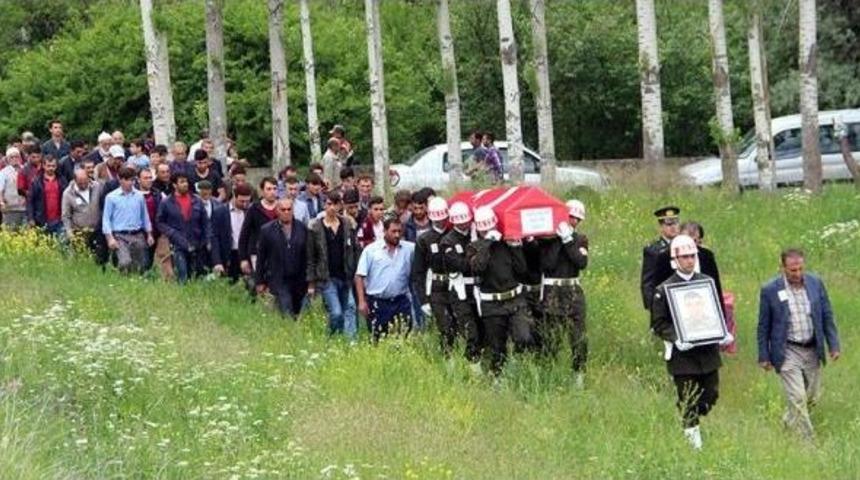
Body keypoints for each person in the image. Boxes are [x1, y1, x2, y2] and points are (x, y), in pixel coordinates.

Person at [650, 234, 730, 450]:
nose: (689, 261)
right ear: (675, 260)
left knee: (711, 393)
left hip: (707, 352)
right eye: (684, 257)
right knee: (687, 397)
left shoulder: (706, 282)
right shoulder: (664, 289)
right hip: (682, 357)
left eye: (692, 256)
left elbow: (715, 311)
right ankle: (693, 443)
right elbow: (659, 324)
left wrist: (723, 332)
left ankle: (693, 416)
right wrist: (676, 337)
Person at [757, 248, 841, 441]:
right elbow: (763, 325)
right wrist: (764, 355)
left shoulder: (815, 283)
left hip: (811, 348)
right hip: (787, 349)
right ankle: (808, 443)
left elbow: (827, 315)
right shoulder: (770, 290)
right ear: (783, 268)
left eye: (801, 269)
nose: (798, 273)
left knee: (811, 397)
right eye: (793, 270)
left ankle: (788, 423)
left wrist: (833, 345)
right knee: (797, 397)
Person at [468, 207, 533, 375]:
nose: (488, 231)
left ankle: (517, 366)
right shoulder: (474, 247)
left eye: (490, 228)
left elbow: (522, 270)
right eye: (484, 230)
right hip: (492, 304)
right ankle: (497, 377)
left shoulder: (506, 243)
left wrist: (516, 248)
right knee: (497, 347)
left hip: (514, 299)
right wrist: (487, 243)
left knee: (524, 337)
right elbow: (478, 268)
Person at [538, 199, 590, 385]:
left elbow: (581, 262)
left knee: (578, 337)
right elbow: (547, 264)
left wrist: (568, 241)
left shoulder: (580, 239)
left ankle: (578, 376)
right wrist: (558, 240)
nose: (573, 221)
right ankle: (548, 375)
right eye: (570, 217)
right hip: (552, 291)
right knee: (552, 338)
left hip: (573, 291)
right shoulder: (548, 240)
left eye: (577, 219)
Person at [306, 192, 360, 339]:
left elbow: (355, 250)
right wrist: (311, 282)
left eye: (335, 204)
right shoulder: (315, 227)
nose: (332, 208)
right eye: (329, 204)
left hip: (345, 275)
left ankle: (351, 342)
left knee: (350, 308)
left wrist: (356, 272)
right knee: (336, 312)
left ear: (340, 206)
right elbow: (311, 256)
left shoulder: (347, 224)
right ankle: (332, 336)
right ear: (324, 205)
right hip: (326, 277)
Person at [355, 217, 415, 342]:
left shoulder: (409, 249)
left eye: (399, 231)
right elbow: (359, 276)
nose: (397, 235)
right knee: (378, 337)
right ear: (385, 231)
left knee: (404, 335)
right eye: (393, 231)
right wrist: (361, 301)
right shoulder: (371, 250)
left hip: (401, 300)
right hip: (378, 301)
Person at [412, 196, 458, 354]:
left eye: (443, 218)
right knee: (445, 327)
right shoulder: (424, 240)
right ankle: (447, 356)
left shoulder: (454, 235)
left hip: (456, 284)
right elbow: (418, 272)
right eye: (437, 219)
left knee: (459, 324)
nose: (440, 222)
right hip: (436, 287)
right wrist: (423, 300)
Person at [441, 201, 483, 368]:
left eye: (466, 221)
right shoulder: (448, 241)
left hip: (479, 289)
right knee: (469, 330)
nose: (464, 224)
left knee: (482, 327)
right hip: (460, 291)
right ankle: (472, 365)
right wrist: (474, 247)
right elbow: (463, 265)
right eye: (460, 221)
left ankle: (481, 362)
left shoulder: (477, 234)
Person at [157, 172, 218, 283]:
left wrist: (207, 239)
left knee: (196, 276)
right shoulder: (166, 203)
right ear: (174, 185)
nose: (185, 184)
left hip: (197, 243)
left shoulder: (197, 200)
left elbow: (205, 222)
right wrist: (172, 233)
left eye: (186, 182)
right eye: (181, 182)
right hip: (178, 244)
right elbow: (160, 223)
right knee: (182, 275)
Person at [255, 198, 310, 318]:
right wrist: (259, 281)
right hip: (279, 278)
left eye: (289, 209)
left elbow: (308, 255)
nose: (286, 212)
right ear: (277, 211)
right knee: (286, 309)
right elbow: (261, 258)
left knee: (298, 311)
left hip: (299, 279)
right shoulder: (267, 230)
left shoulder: (302, 228)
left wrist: (311, 279)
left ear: (293, 210)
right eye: (283, 209)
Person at [102, 167, 154, 274]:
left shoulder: (139, 196)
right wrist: (110, 238)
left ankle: (136, 280)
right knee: (125, 262)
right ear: (120, 180)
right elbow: (106, 219)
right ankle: (122, 278)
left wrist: (149, 234)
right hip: (120, 235)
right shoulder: (111, 197)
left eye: (132, 180)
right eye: (127, 180)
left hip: (137, 234)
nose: (131, 183)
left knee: (141, 264)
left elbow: (145, 216)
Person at [238, 177, 280, 277]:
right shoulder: (254, 209)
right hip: (257, 253)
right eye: (269, 189)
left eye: (274, 189)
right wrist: (243, 258)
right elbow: (244, 235)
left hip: (279, 253)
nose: (272, 192)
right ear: (262, 191)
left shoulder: (283, 208)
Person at [641, 206, 680, 311]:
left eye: (675, 223)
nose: (673, 227)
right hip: (663, 299)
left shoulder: (684, 246)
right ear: (661, 227)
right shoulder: (653, 250)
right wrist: (652, 306)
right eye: (669, 224)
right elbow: (647, 282)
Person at [61, 168, 104, 252]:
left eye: (85, 181)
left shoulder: (97, 187)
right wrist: (69, 233)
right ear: (75, 180)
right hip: (80, 233)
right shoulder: (68, 193)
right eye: (80, 183)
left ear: (88, 178)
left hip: (96, 231)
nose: (84, 185)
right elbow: (66, 216)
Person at [26, 155, 67, 236]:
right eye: (48, 166)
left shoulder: (62, 180)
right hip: (41, 220)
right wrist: (31, 218)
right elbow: (30, 201)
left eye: (53, 166)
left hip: (59, 220)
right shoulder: (36, 182)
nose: (51, 168)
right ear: (43, 166)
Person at [225, 184, 253, 282]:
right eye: (242, 201)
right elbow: (215, 237)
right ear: (234, 196)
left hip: (246, 254)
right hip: (230, 254)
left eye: (247, 201)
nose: (245, 204)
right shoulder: (221, 211)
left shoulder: (251, 212)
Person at [138, 168, 162, 272]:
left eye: (150, 178)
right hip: (139, 232)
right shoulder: (133, 194)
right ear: (139, 180)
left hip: (155, 231)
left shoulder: (157, 194)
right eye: (145, 178)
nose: (149, 180)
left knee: (150, 260)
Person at [0, 147, 27, 229]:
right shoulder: (3, 172)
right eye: (12, 157)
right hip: (10, 209)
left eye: (16, 156)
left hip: (25, 208)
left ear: (20, 158)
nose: (15, 159)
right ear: (7, 159)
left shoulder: (25, 169)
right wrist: (1, 202)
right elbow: (0, 190)